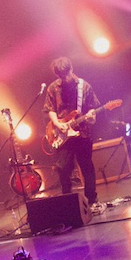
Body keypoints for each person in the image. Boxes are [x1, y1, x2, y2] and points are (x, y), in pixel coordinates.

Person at [44, 57, 104, 213]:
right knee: (63, 168)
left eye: (66, 74)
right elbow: (50, 109)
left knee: (86, 167)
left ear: (71, 69)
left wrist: (92, 117)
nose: (64, 79)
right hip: (63, 134)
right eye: (60, 76)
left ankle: (91, 200)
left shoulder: (84, 87)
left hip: (82, 132)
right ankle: (68, 201)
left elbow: (92, 109)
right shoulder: (53, 88)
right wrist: (57, 124)